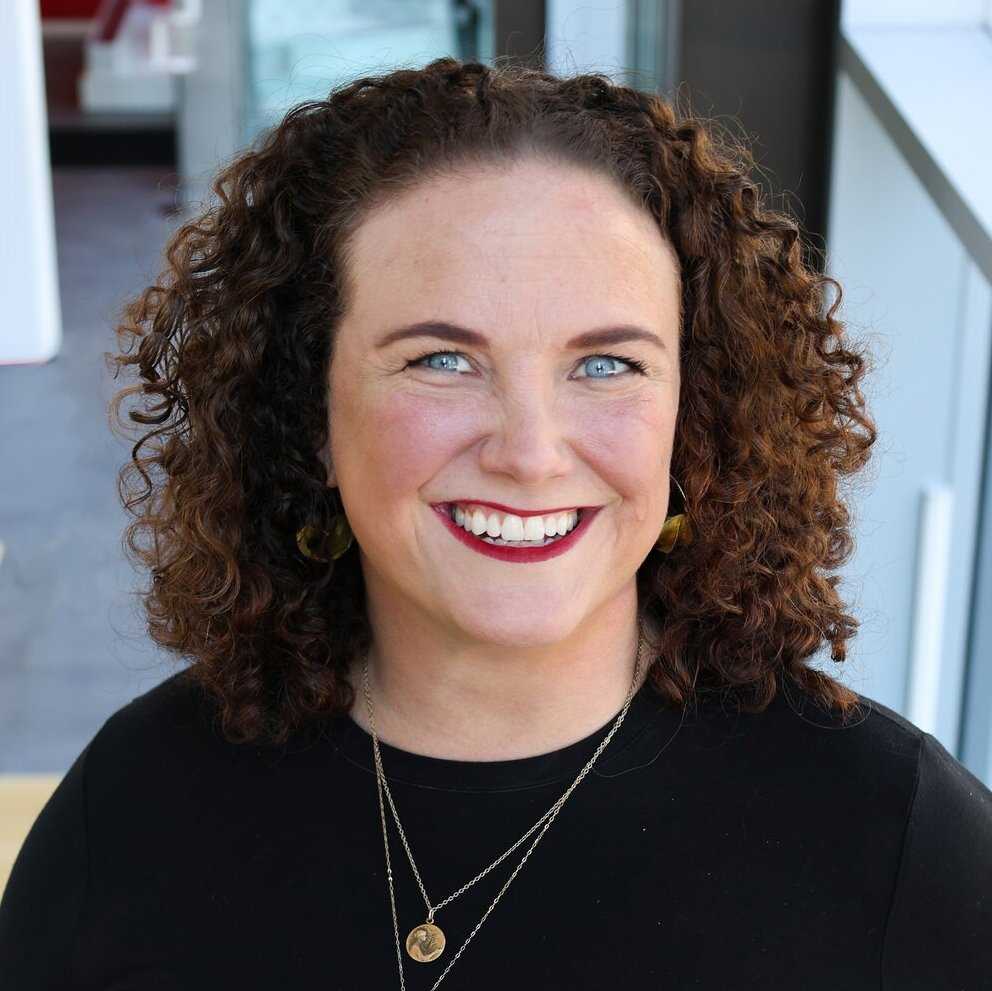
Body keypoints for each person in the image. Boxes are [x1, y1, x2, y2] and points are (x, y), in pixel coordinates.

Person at [1, 56, 990, 990]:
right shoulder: (136, 810)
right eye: (442, 359)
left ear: (697, 413)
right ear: (308, 413)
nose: (529, 449)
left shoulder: (897, 841)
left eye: (606, 363)